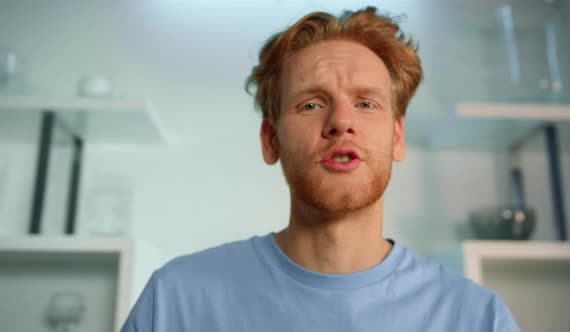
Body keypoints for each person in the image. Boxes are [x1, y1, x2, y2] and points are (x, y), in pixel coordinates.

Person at [121, 6, 520, 332]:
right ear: (270, 139)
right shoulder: (174, 302)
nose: (341, 122)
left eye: (366, 103)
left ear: (397, 138)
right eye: (311, 104)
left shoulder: (477, 319)